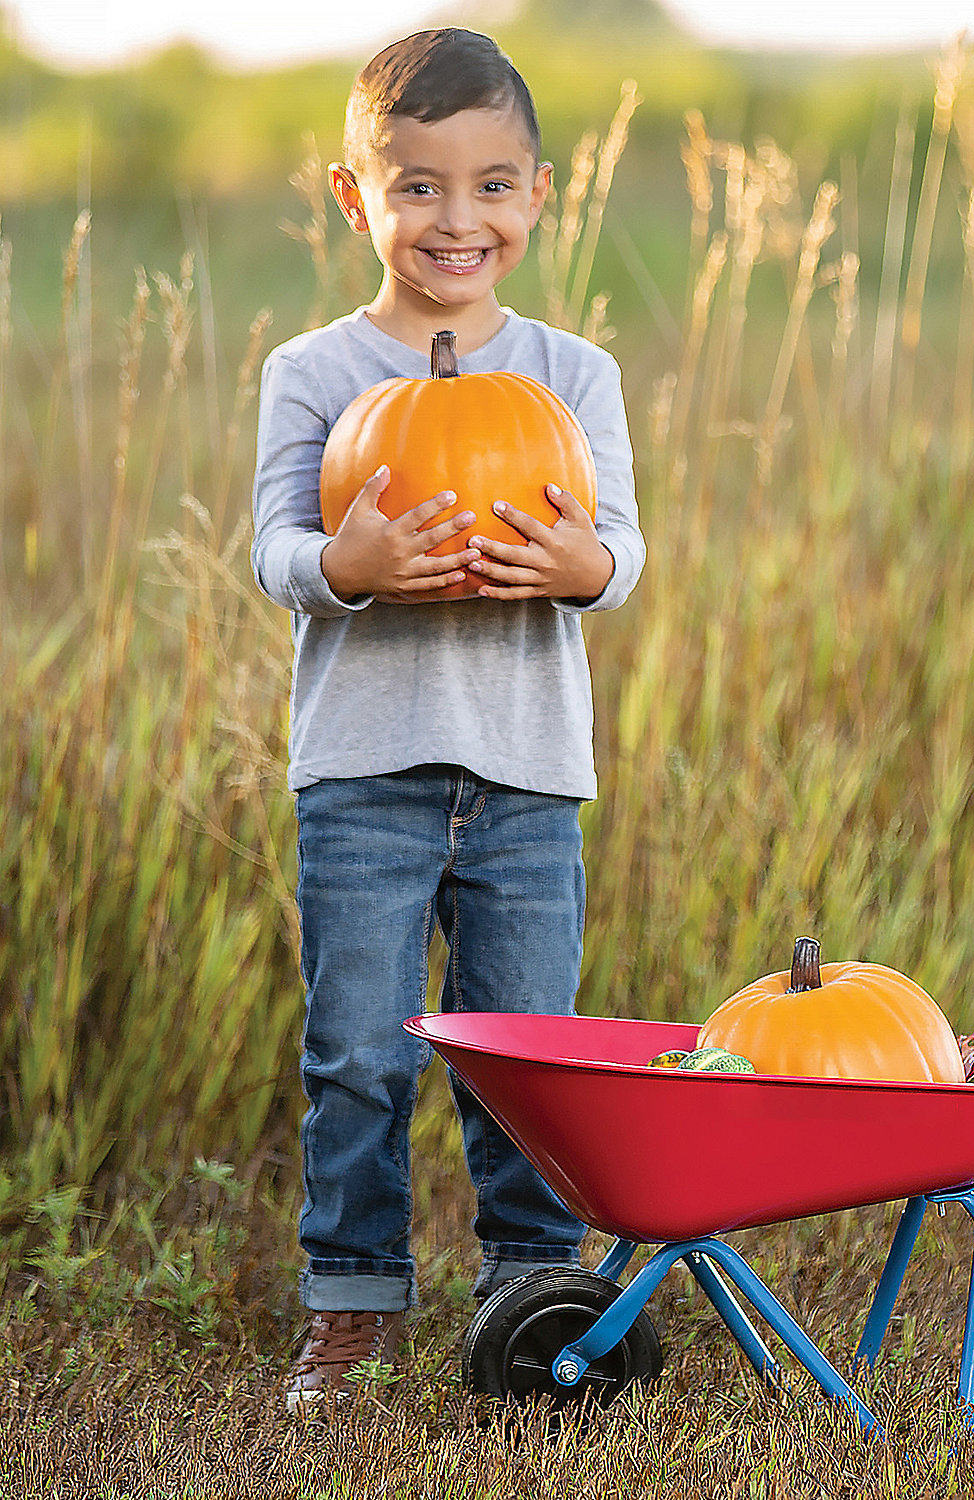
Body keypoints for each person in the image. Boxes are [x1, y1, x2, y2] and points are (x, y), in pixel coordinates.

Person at [250, 27, 645, 1408]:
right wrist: (343, 569)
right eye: (416, 187)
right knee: (357, 1052)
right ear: (356, 199)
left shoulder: (572, 374)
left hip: (528, 777)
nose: (454, 218)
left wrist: (578, 567)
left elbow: (624, 554)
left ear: (537, 194)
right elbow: (275, 551)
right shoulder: (313, 372)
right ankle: (349, 1309)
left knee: (525, 1052)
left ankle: (533, 1288)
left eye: (487, 186)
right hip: (362, 774)